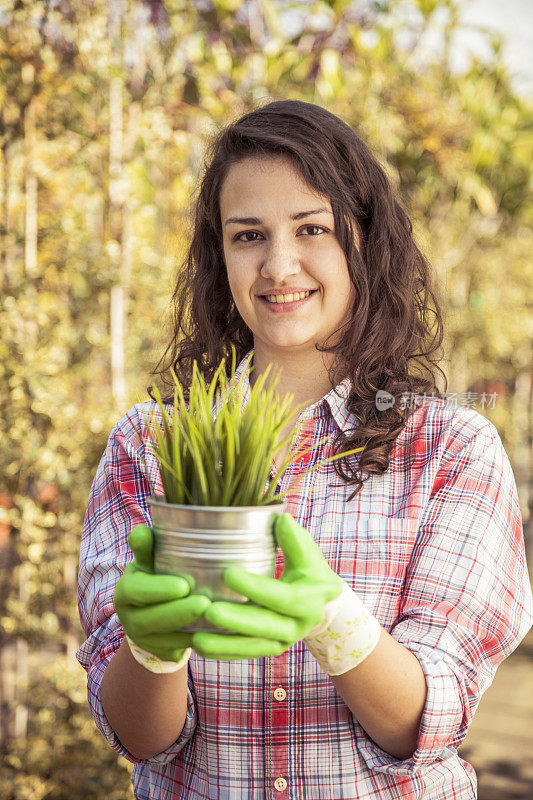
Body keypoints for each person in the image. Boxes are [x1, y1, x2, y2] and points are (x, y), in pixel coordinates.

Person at [76, 99, 533, 799]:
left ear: (364, 242)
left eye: (312, 228)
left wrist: (332, 618)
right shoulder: (150, 446)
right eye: (248, 235)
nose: (278, 264)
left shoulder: (450, 448)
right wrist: (150, 646)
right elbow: (141, 738)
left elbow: (427, 719)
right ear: (218, 257)